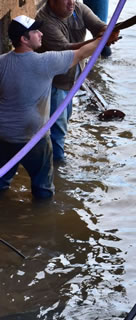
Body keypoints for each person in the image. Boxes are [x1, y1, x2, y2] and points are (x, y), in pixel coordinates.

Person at [0, 16, 103, 198]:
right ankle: (44, 222)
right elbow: (81, 53)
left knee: (1, 184)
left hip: (4, 136)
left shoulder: (2, 62)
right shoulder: (45, 62)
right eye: (35, 31)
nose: (41, 34)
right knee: (43, 190)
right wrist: (104, 39)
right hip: (34, 138)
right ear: (24, 39)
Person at [36, 0, 119, 162]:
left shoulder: (79, 9)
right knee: (57, 126)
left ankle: (54, 158)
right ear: (51, 1)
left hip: (71, 80)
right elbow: (68, 50)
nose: (71, 2)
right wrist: (99, 41)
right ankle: (58, 166)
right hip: (53, 82)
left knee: (64, 120)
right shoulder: (44, 21)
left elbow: (98, 25)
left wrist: (108, 31)